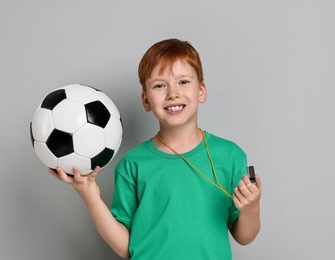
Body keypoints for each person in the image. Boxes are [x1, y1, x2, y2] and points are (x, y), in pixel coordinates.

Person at [49, 38, 262, 259]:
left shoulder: (229, 156)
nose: (172, 93)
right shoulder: (132, 165)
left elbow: (244, 236)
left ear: (201, 90)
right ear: (146, 100)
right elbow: (125, 247)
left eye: (183, 82)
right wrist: (90, 196)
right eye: (159, 85)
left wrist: (251, 206)